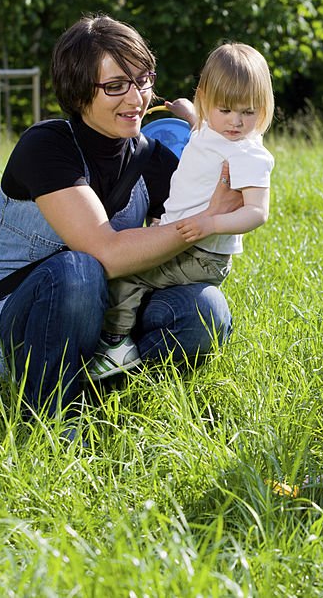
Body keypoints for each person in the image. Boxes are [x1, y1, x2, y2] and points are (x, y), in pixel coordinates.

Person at [0, 14, 239, 424]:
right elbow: (105, 253)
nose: (136, 99)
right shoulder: (46, 146)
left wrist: (206, 136)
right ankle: (55, 421)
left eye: (143, 80)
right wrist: (202, 220)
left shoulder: (153, 159)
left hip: (108, 320)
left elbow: (227, 206)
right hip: (12, 330)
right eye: (115, 86)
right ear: (79, 93)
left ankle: (105, 399)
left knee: (207, 310)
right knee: (78, 270)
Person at [89, 43, 275, 377]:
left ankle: (115, 345)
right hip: (188, 238)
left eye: (248, 112)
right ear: (206, 100)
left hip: (201, 252)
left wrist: (212, 223)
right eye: (226, 109)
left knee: (128, 273)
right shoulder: (211, 128)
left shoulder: (248, 152)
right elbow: (198, 128)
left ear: (262, 109)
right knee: (139, 258)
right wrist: (186, 110)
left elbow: (257, 212)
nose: (236, 121)